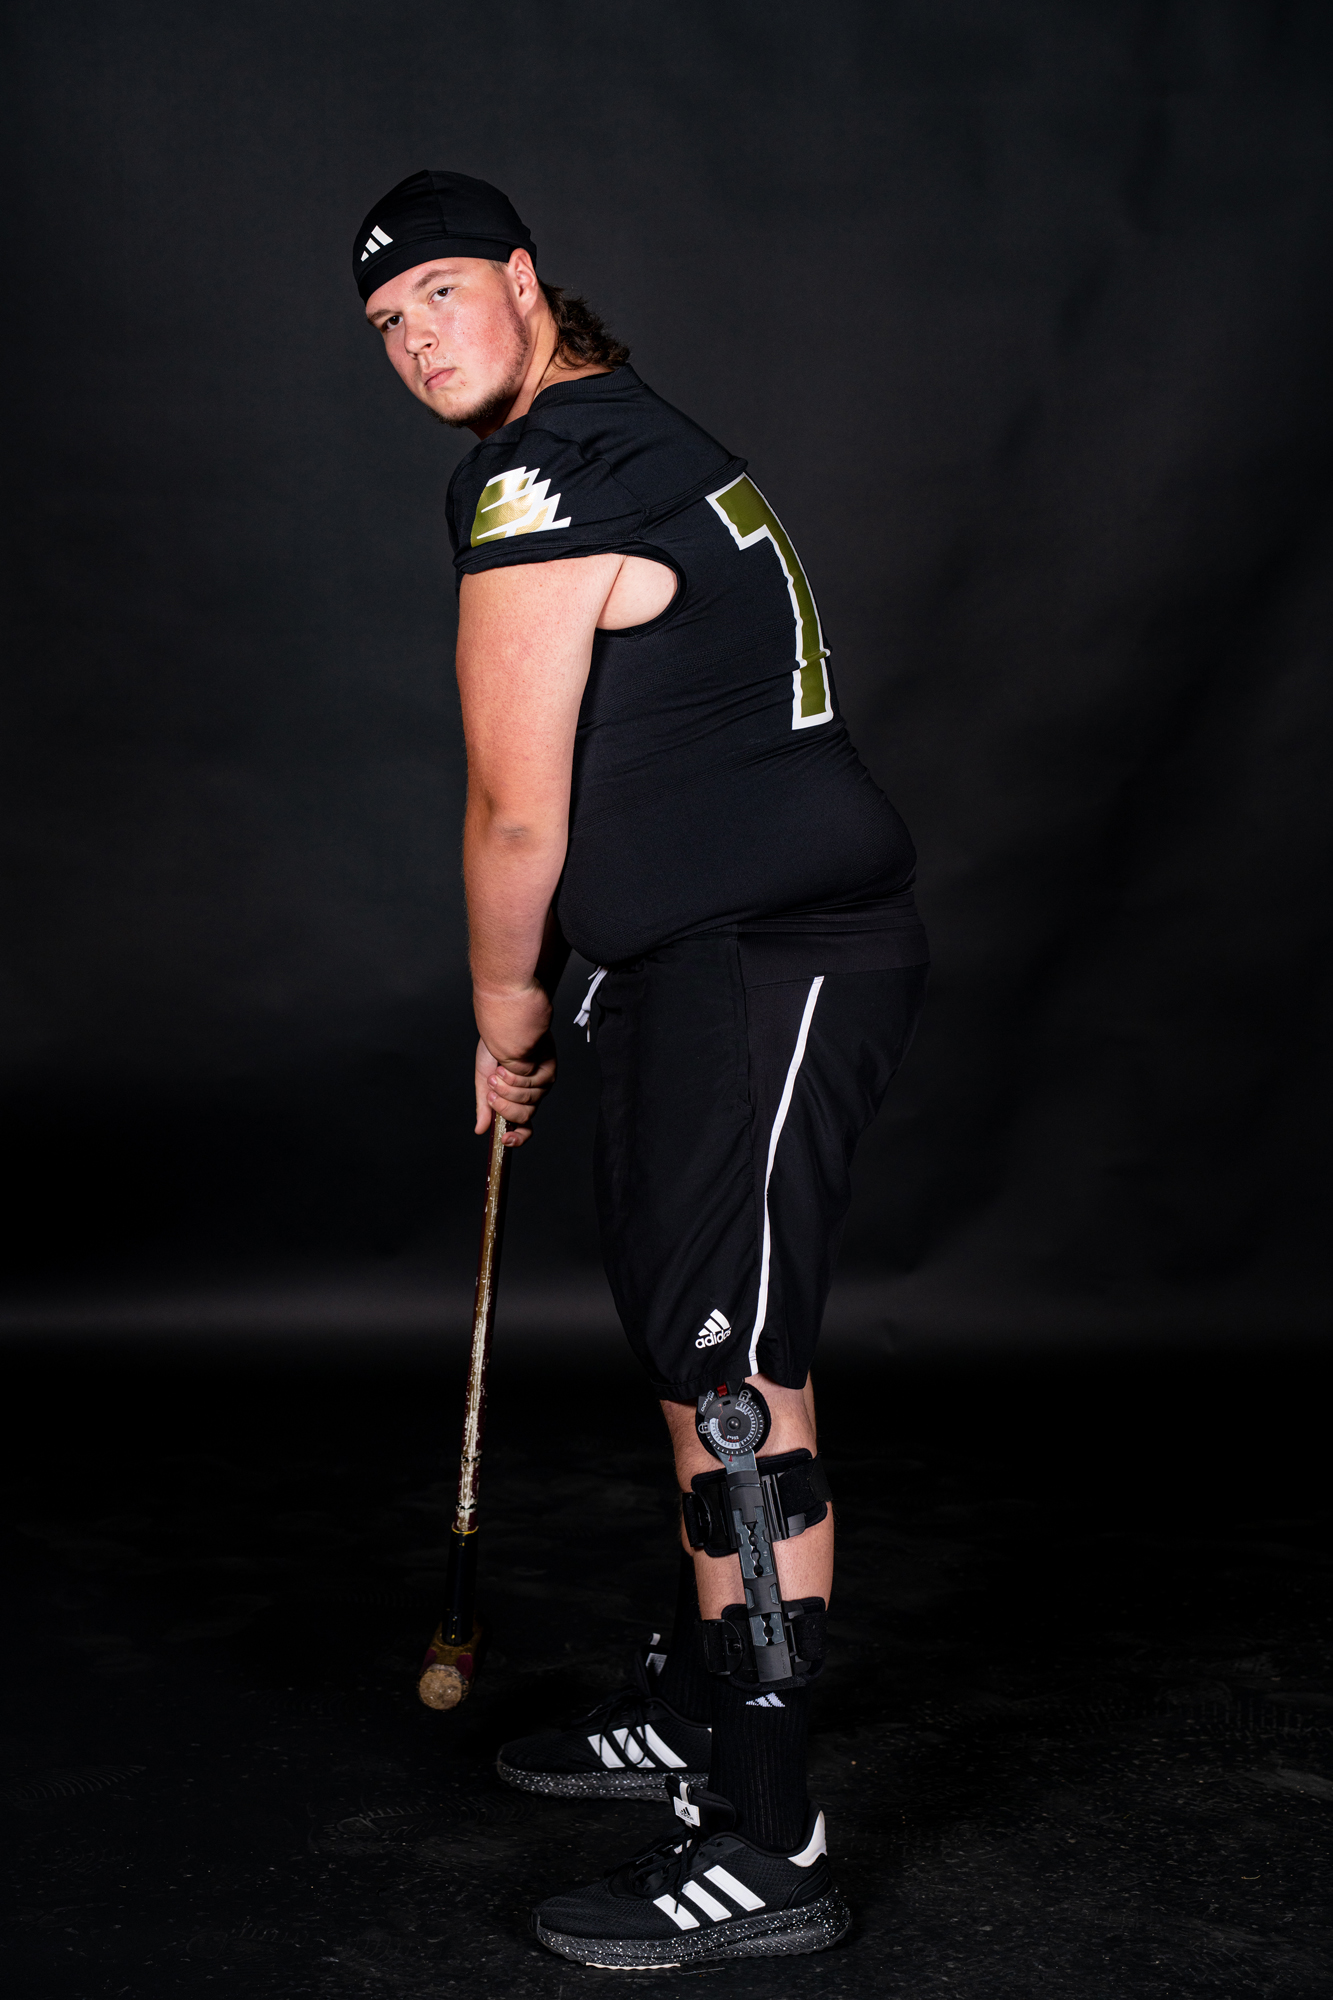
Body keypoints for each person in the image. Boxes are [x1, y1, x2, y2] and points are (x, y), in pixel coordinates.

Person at [353, 169, 928, 1968]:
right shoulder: (613, 438)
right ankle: (695, 1704)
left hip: (770, 959)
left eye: (441, 293)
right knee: (694, 1338)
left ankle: (769, 1837)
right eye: (385, 323)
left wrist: (502, 1007)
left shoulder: (549, 478)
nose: (415, 338)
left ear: (526, 282)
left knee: (732, 1376)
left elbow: (517, 808)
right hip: (692, 967)